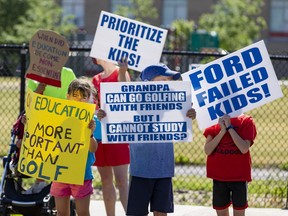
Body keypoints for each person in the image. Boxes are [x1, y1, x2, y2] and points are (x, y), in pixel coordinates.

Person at [97, 63, 197, 216]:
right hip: (140, 170)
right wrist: (106, 115)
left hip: (164, 170)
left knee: (161, 212)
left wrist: (189, 113)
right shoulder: (135, 104)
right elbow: (124, 94)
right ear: (147, 83)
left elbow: (183, 119)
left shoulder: (173, 103)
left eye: (169, 81)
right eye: (164, 80)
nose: (168, 84)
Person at [49, 78, 98, 216]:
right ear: (68, 96)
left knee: (83, 212)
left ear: (90, 98)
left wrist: (90, 134)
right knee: (61, 213)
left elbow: (93, 149)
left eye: (84, 96)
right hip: (60, 172)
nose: (79, 99)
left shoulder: (92, 121)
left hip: (81, 174)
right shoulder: (59, 117)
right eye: (75, 95)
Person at [91, 57, 130, 215]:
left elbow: (127, 94)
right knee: (106, 180)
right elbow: (93, 105)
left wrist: (122, 71)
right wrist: (97, 112)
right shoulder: (96, 79)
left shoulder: (121, 73)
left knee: (122, 181)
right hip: (101, 135)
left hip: (118, 134)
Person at [203, 113, 257, 216]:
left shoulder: (246, 121)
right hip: (219, 177)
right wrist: (222, 131)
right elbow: (208, 150)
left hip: (239, 177)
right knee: (221, 211)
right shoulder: (214, 121)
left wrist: (230, 127)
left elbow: (244, 148)